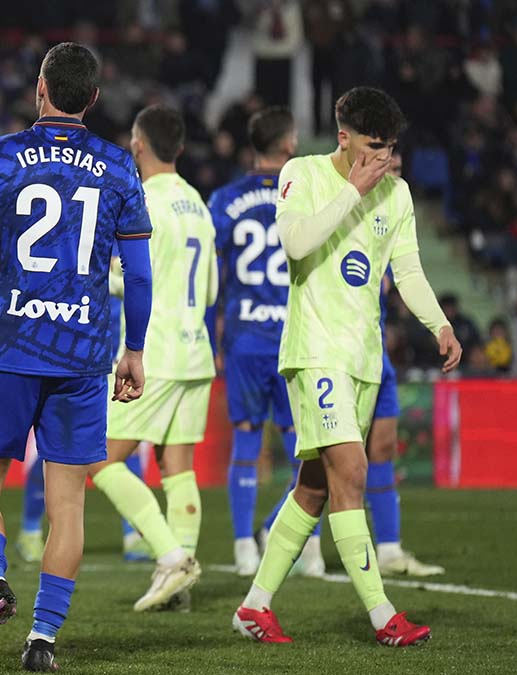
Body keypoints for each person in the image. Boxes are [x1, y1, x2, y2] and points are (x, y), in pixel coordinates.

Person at [0, 42, 153, 672]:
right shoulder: (119, 166)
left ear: (41, 88)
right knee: (67, 504)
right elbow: (138, 276)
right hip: (85, 354)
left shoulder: (0, 155)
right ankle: (43, 640)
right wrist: (134, 350)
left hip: (11, 348)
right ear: (92, 98)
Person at [233, 87, 461, 646]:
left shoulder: (398, 194)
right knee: (351, 474)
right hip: (315, 350)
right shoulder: (303, 174)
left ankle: (253, 607)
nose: (383, 158)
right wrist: (352, 192)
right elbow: (295, 243)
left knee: (314, 487)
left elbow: (405, 271)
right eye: (373, 146)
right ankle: (384, 616)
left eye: (390, 148)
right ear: (344, 137)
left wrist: (439, 324)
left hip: (363, 357)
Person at [86, 104, 214, 614]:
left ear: (138, 144)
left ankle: (170, 557)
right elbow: (209, 291)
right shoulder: (198, 204)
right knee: (177, 466)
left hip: (155, 351)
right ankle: (178, 588)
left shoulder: (142, 200)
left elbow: (125, 275)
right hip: (196, 350)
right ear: (179, 148)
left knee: (102, 458)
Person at [208, 106, 324, 578]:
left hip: (243, 338)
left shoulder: (224, 198)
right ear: (290, 145)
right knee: (308, 446)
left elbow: (211, 271)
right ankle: (308, 549)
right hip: (293, 338)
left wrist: (212, 326)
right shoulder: (307, 194)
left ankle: (242, 549)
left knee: (246, 442)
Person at [365, 152, 444, 577]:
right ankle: (276, 534)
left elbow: (408, 274)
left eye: (398, 170)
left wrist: (439, 326)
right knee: (329, 463)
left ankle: (390, 550)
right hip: (340, 355)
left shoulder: (394, 216)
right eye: (387, 168)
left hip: (376, 354)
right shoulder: (346, 209)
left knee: (381, 449)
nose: (393, 176)